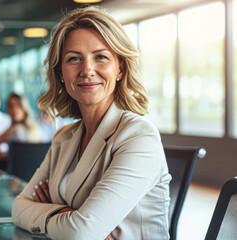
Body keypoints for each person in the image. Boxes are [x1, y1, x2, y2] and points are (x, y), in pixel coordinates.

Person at [12, 6, 171, 240]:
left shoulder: (138, 136)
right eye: (74, 59)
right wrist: (65, 213)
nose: (87, 70)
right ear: (60, 74)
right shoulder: (64, 137)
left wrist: (49, 214)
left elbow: (81, 232)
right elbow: (18, 209)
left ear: (120, 68)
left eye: (101, 57)